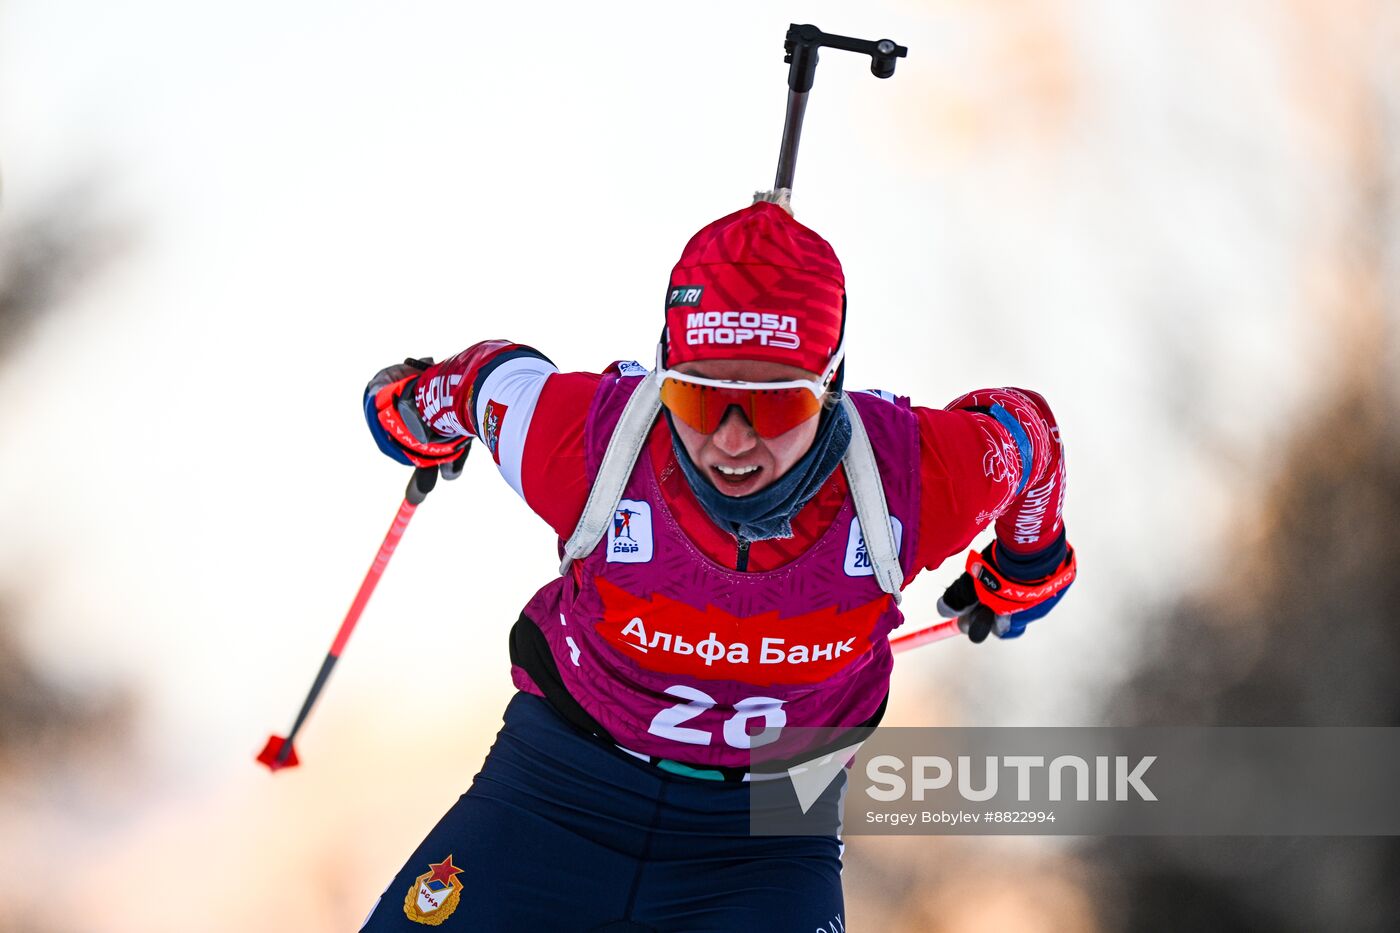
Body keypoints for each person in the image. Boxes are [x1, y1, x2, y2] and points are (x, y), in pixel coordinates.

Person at [357, 201, 1075, 932]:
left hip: (768, 839)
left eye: (775, 405)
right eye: (698, 398)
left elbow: (1029, 437)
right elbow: (482, 381)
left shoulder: (914, 477)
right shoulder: (583, 440)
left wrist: (1029, 559)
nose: (731, 443)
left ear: (831, 386)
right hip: (556, 792)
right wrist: (410, 407)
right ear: (664, 371)